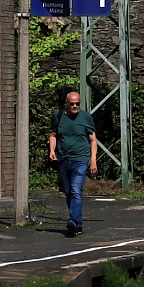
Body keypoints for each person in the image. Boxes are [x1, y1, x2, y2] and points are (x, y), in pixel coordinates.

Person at [49, 89, 98, 237]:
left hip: (81, 160)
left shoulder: (86, 118)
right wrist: (52, 150)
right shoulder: (58, 116)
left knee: (76, 190)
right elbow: (53, 135)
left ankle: (73, 220)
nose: (75, 106)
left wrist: (93, 160)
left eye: (77, 104)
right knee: (69, 192)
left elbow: (93, 139)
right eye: (72, 104)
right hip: (63, 159)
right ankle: (77, 224)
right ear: (66, 104)